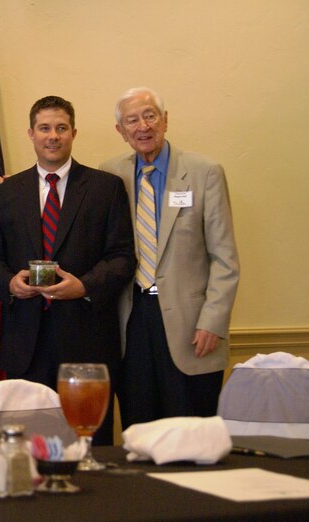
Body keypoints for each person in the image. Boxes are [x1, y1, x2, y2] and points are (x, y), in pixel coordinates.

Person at [0, 95, 135, 444]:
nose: (53, 136)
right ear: (30, 134)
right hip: (26, 344)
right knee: (29, 447)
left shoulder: (105, 189)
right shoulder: (6, 194)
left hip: (87, 342)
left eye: (61, 128)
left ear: (73, 133)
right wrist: (10, 284)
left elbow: (123, 257)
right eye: (45, 128)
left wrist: (85, 286)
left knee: (89, 446)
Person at [100, 87, 239, 429]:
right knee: (139, 429)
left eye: (150, 116)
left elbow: (224, 258)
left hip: (192, 326)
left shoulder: (204, 172)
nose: (143, 126)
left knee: (192, 432)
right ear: (121, 131)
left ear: (165, 120)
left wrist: (213, 320)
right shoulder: (109, 174)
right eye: (132, 120)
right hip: (131, 320)